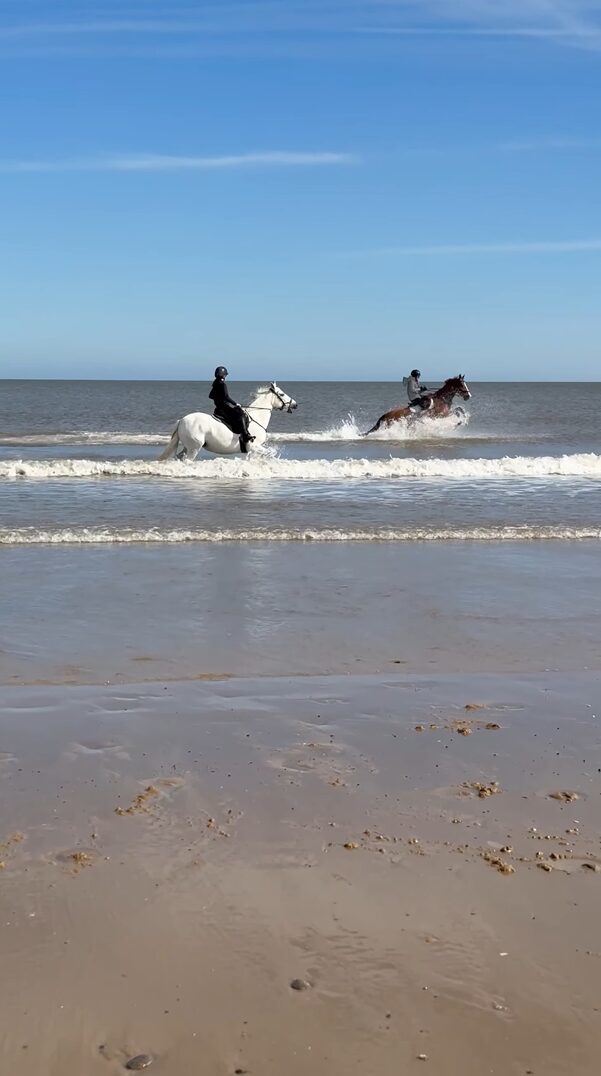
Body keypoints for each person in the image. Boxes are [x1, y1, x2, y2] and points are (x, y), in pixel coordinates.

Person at [209, 367, 255, 452]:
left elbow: (210, 396)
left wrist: (218, 397)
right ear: (223, 375)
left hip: (218, 407)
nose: (225, 376)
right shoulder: (222, 384)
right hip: (223, 407)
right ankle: (245, 435)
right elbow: (226, 397)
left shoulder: (215, 383)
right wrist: (235, 403)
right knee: (241, 413)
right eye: (225, 375)